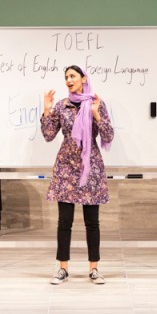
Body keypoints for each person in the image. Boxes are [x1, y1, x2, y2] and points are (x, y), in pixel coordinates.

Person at [40, 65, 113, 286]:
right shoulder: (62, 106)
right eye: (66, 77)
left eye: (72, 76)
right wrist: (46, 110)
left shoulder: (95, 103)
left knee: (92, 222)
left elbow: (108, 135)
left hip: (90, 167)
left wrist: (96, 114)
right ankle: (62, 269)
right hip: (66, 168)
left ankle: (94, 269)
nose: (69, 80)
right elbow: (48, 135)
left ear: (83, 79)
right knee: (65, 221)